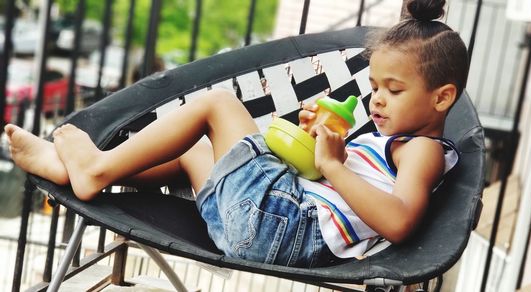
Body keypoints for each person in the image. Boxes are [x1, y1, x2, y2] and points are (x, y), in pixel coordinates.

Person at [4, 0, 468, 268]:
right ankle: (77, 172)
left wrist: (329, 165)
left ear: (442, 97)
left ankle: (93, 169)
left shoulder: (424, 151)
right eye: (373, 87)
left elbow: (401, 221)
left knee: (219, 105)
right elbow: (347, 194)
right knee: (199, 150)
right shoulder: (392, 146)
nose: (377, 100)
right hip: (263, 228)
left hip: (280, 225)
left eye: (394, 89)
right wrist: (321, 151)